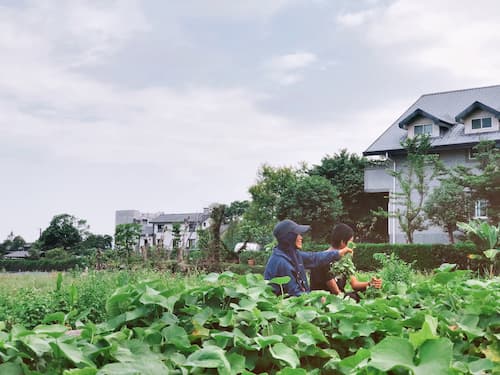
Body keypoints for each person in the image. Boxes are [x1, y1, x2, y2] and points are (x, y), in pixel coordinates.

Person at [264, 219, 353, 297]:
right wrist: (316, 299)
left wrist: (338, 253)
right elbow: (295, 294)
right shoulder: (281, 262)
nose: (301, 237)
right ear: (289, 238)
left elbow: (314, 258)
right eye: (298, 234)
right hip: (284, 308)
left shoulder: (292, 254)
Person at [310, 223, 382, 302]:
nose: (353, 246)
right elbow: (336, 292)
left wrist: (370, 284)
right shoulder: (323, 259)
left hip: (338, 296)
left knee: (364, 293)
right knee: (354, 298)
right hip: (325, 299)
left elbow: (354, 284)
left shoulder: (345, 261)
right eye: (351, 243)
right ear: (342, 242)